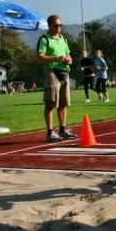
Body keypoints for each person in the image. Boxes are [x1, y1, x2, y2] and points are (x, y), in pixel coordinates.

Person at [36, 14, 78, 142]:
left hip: (64, 72)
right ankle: (49, 132)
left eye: (60, 25)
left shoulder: (63, 39)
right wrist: (56, 58)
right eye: (56, 25)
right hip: (52, 73)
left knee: (63, 103)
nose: (59, 27)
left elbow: (68, 55)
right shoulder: (44, 39)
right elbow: (39, 57)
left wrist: (69, 60)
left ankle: (63, 129)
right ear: (49, 26)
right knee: (51, 103)